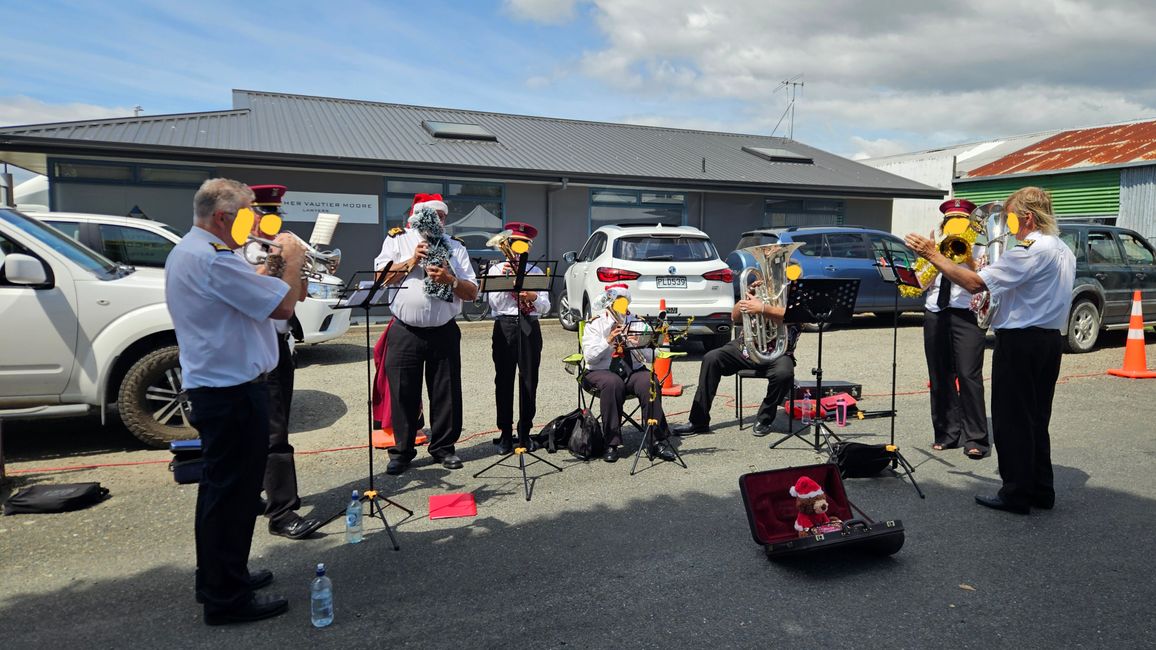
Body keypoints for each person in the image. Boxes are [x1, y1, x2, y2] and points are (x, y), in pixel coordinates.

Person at [166, 178, 305, 625]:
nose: (254, 222)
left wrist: (274, 264)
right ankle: (226, 598)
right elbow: (283, 308)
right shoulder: (212, 260)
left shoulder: (200, 251)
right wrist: (296, 260)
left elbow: (252, 294)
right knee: (231, 495)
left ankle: (224, 576)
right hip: (230, 394)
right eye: (246, 214)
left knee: (226, 493)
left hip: (224, 389)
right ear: (224, 217)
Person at [905, 186, 1075, 514]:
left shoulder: (1028, 251)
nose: (1007, 223)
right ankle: (1041, 488)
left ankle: (1016, 493)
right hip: (1049, 340)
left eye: (1010, 217)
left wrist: (932, 254)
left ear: (1026, 217)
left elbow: (974, 283)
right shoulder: (1063, 249)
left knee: (1012, 419)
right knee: (1037, 418)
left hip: (1021, 342)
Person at [373, 193, 478, 475]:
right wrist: (410, 261)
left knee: (446, 393)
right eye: (434, 215)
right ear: (417, 216)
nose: (440, 220)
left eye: (443, 216)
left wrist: (450, 279)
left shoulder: (455, 246)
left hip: (443, 330)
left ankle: (444, 448)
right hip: (405, 330)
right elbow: (378, 280)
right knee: (403, 392)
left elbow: (472, 292)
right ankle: (402, 451)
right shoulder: (398, 240)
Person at [246, 184, 323, 540]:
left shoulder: (272, 248)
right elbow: (259, 297)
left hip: (279, 344)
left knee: (275, 427)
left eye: (276, 215)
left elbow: (298, 297)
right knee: (273, 433)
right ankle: (282, 511)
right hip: (254, 347)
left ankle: (266, 496)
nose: (271, 223)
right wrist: (283, 259)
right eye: (265, 215)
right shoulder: (244, 252)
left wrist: (301, 269)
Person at [672, 278, 798, 436]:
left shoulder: (795, 293)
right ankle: (698, 421)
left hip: (779, 352)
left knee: (784, 374)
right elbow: (735, 317)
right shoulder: (761, 290)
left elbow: (795, 316)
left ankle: (764, 418)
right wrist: (746, 299)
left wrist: (762, 308)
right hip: (746, 348)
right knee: (712, 358)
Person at [920, 198, 990, 459]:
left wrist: (968, 256)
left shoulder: (982, 248)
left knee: (969, 375)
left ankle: (976, 437)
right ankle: (947, 433)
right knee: (939, 374)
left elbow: (984, 281)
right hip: (935, 312)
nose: (954, 227)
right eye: (950, 222)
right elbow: (922, 285)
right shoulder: (934, 247)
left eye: (959, 222)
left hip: (967, 315)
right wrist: (926, 258)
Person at [581, 284, 677, 463]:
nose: (619, 306)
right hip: (600, 371)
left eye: (622, 302)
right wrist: (608, 341)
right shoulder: (596, 323)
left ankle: (656, 440)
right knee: (612, 383)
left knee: (649, 382)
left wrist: (637, 343)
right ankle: (611, 442)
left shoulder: (638, 322)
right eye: (615, 301)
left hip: (631, 369)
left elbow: (650, 357)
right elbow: (590, 357)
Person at [484, 222, 550, 454]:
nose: (518, 248)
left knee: (529, 380)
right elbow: (494, 304)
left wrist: (532, 296)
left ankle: (525, 431)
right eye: (514, 243)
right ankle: (504, 433)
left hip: (529, 326)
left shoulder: (536, 271)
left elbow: (545, 306)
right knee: (503, 380)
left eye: (524, 244)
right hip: (505, 325)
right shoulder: (496, 270)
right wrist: (507, 285)